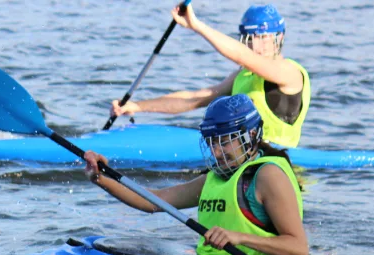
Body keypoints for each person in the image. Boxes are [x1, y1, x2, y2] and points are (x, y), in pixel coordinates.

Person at [88, 95, 308, 255]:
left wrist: (239, 237)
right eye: (212, 142)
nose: (216, 151)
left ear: (250, 135)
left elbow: (299, 249)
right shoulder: (215, 177)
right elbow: (155, 201)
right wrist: (100, 178)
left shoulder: (267, 175)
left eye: (224, 142)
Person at [110, 3, 310, 148]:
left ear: (280, 37)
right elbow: (193, 99)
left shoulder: (290, 73)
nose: (255, 45)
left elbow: (242, 54)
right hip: (241, 156)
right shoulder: (241, 76)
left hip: (279, 162)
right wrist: (137, 106)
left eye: (263, 37)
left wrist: (196, 25)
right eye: (249, 38)